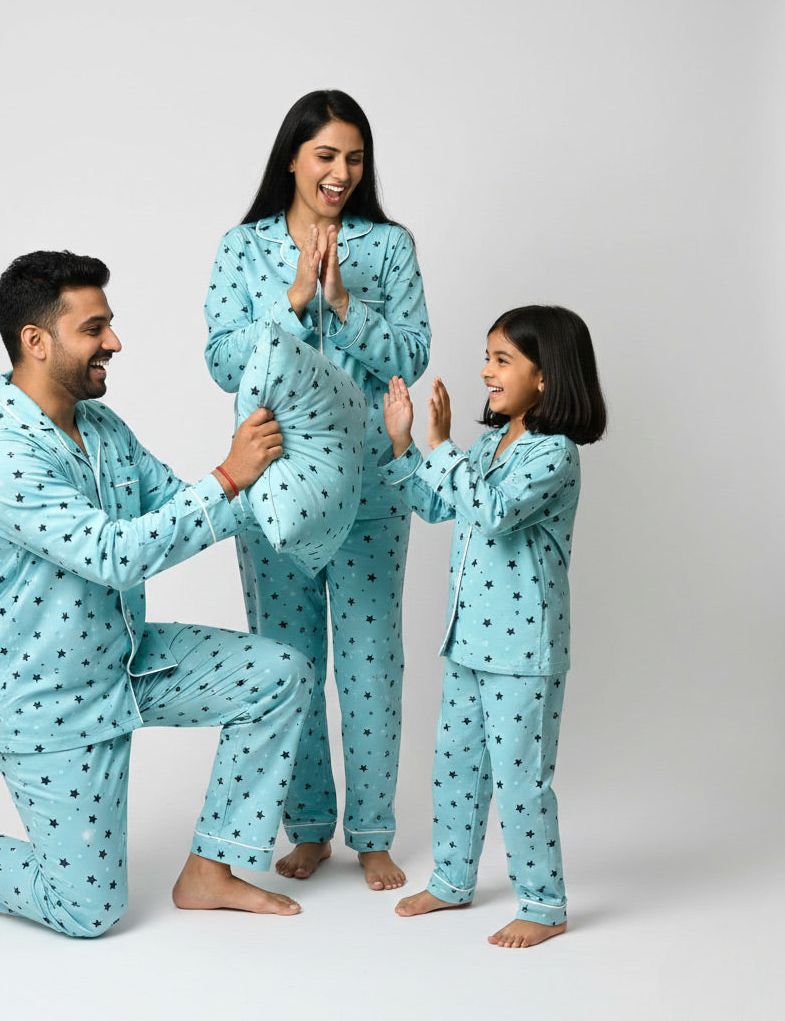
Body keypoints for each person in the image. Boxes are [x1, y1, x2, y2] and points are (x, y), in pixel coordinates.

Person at [0, 250, 316, 937]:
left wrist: (294, 491)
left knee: (280, 674)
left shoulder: (103, 428)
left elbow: (178, 507)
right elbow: (115, 555)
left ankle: (211, 869)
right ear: (36, 340)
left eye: (109, 324)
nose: (114, 341)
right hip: (47, 700)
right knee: (88, 910)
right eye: (94, 328)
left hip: (128, 660)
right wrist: (229, 476)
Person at [204, 90, 431, 891]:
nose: (341, 172)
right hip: (275, 486)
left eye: (355, 158)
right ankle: (307, 827)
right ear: (293, 159)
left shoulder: (389, 247)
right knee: (290, 657)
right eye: (327, 155)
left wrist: (343, 304)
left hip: (369, 488)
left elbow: (412, 353)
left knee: (371, 661)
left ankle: (371, 832)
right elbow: (224, 361)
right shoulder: (243, 247)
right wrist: (294, 300)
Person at [381, 305, 607, 947]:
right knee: (456, 767)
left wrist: (442, 447)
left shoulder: (554, 455)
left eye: (502, 359)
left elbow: (495, 511)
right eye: (487, 357)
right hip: (467, 639)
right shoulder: (489, 444)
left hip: (523, 650)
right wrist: (405, 445)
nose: (486, 371)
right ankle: (452, 881)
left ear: (546, 375)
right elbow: (436, 505)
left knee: (520, 780)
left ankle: (544, 905)